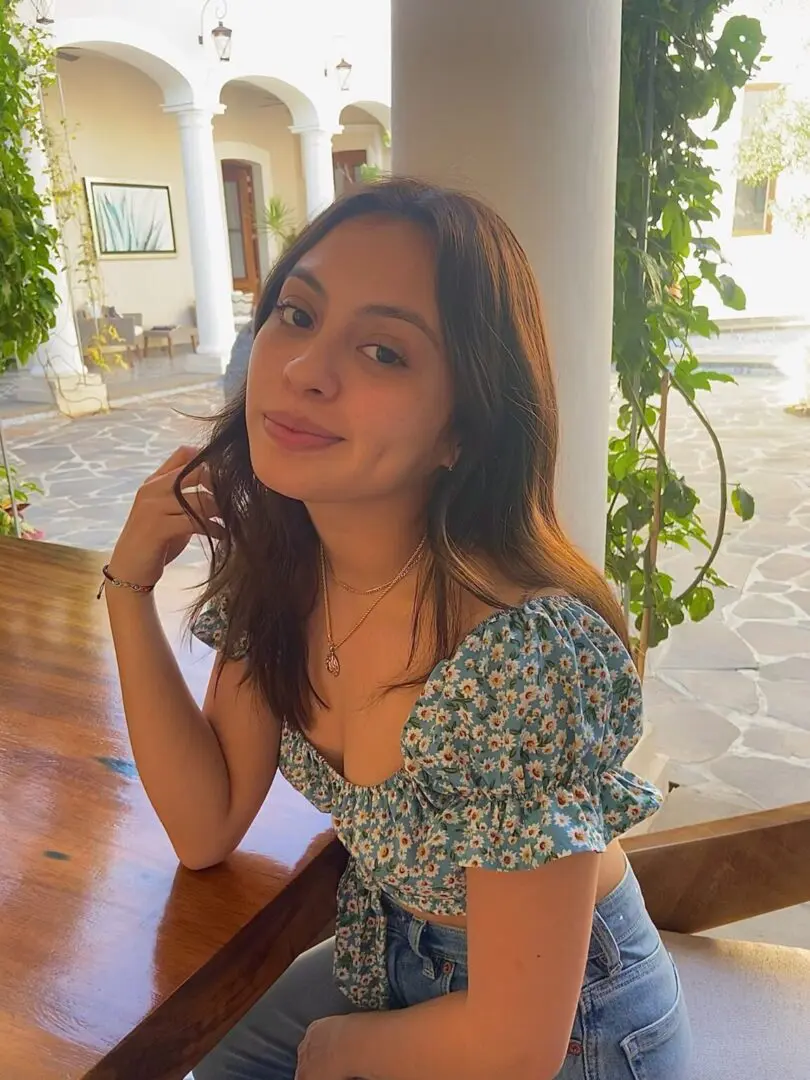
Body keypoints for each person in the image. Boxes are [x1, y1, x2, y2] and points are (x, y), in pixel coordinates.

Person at [102, 178, 692, 1080]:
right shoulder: (289, 569)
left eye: (382, 351)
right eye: (296, 315)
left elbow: (510, 1046)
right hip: (389, 954)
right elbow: (205, 824)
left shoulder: (519, 657)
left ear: (461, 428)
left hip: (570, 1024)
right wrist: (127, 589)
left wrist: (339, 1050)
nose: (304, 369)